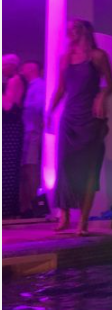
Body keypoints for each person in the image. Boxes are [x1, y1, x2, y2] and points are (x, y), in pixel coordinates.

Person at [48, 19, 112, 235]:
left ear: (86, 30)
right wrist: (50, 111)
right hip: (69, 119)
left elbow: (111, 83)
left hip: (91, 118)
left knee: (89, 169)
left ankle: (83, 222)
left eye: (75, 27)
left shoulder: (98, 56)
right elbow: (61, 88)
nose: (71, 31)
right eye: (69, 29)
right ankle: (65, 216)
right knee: (65, 168)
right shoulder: (66, 58)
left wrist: (102, 95)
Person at [19, 61, 45, 216]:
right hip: (28, 134)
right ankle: (26, 206)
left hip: (32, 134)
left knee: (31, 169)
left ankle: (35, 207)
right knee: (26, 170)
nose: (21, 70)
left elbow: (39, 108)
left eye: (24, 67)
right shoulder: (30, 86)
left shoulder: (39, 86)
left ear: (30, 68)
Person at [2, 54, 25, 218]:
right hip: (10, 127)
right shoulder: (13, 80)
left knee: (7, 168)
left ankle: (6, 208)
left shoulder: (14, 80)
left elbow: (8, 106)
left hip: (10, 128)